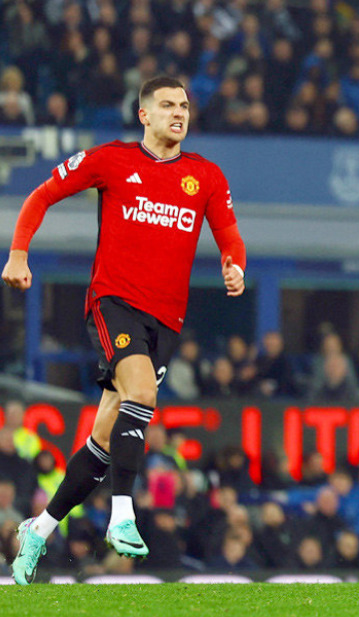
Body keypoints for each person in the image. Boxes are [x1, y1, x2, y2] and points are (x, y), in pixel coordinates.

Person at [5, 76, 246, 585]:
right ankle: (122, 514)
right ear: (144, 114)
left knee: (103, 440)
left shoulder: (205, 175)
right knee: (142, 394)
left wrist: (234, 266)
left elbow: (229, 236)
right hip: (114, 303)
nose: (178, 113)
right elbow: (41, 196)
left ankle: (38, 530)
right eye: (167, 105)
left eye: (184, 106)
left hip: (166, 320)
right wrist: (19, 252)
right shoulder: (111, 160)